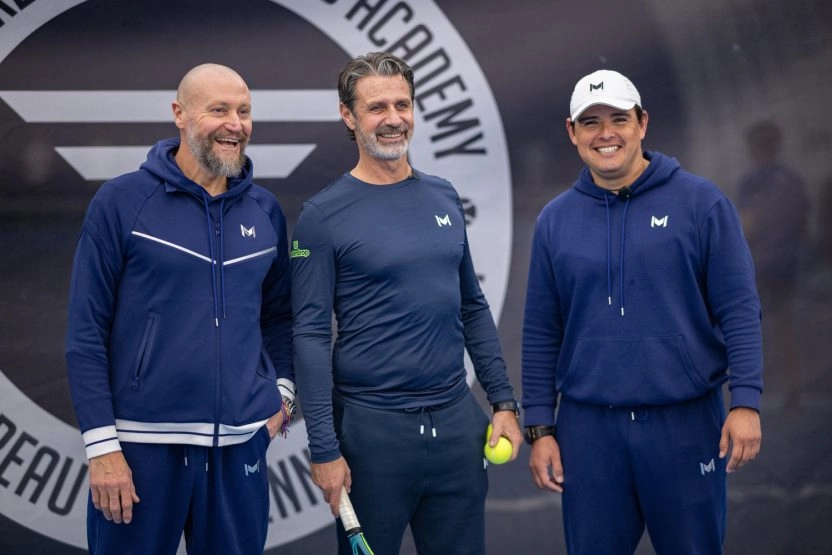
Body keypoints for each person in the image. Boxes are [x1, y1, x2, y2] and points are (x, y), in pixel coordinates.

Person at [521, 69, 763, 554]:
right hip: (588, 431)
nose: (605, 133)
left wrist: (746, 402)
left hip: (685, 424)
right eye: (590, 122)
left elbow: (739, 309)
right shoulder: (554, 220)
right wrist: (541, 427)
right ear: (572, 132)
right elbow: (540, 331)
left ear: (642, 123)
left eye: (618, 118)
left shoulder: (701, 202)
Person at [291, 51, 522, 555]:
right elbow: (308, 336)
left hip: (457, 426)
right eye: (377, 108)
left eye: (403, 104)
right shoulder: (322, 217)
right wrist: (326, 449)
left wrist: (502, 401)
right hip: (372, 436)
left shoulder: (443, 196)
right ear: (348, 117)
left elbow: (472, 306)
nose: (393, 119)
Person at [65, 63, 294, 555]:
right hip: (139, 451)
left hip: (239, 449)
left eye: (244, 111)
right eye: (219, 110)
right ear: (180, 115)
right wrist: (103, 448)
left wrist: (284, 398)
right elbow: (86, 333)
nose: (235, 124)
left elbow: (279, 317)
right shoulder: (122, 202)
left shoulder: (265, 211)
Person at [736, 119, 809, 411]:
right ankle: (790, 384)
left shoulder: (752, 182)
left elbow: (746, 224)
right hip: (785, 260)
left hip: (762, 263)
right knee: (784, 325)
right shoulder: (791, 178)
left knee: (760, 328)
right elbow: (803, 224)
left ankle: (774, 385)